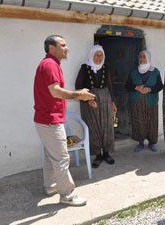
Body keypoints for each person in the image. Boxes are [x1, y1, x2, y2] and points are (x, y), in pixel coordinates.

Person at [34, 35, 96, 206]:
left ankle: (51, 186)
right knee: (62, 158)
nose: (67, 48)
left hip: (46, 120)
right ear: (51, 48)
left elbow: (56, 93)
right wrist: (78, 94)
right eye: (63, 45)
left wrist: (80, 96)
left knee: (50, 155)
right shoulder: (50, 65)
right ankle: (67, 195)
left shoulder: (51, 64)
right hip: (50, 121)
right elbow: (56, 91)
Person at [75, 45, 117, 168]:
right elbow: (78, 86)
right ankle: (97, 154)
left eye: (101, 55)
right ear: (91, 55)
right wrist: (87, 100)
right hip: (90, 100)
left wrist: (113, 102)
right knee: (93, 126)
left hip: (105, 99)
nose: (99, 58)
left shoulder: (105, 68)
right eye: (96, 55)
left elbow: (110, 85)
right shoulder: (84, 68)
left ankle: (107, 153)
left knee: (107, 125)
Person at [126, 50, 163, 152]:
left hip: (151, 102)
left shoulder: (155, 71)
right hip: (137, 102)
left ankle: (152, 143)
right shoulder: (133, 72)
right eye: (140, 57)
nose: (142, 59)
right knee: (139, 121)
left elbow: (160, 86)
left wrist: (150, 89)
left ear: (148, 58)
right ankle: (140, 143)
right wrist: (136, 87)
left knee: (152, 121)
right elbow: (127, 85)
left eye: (144, 57)